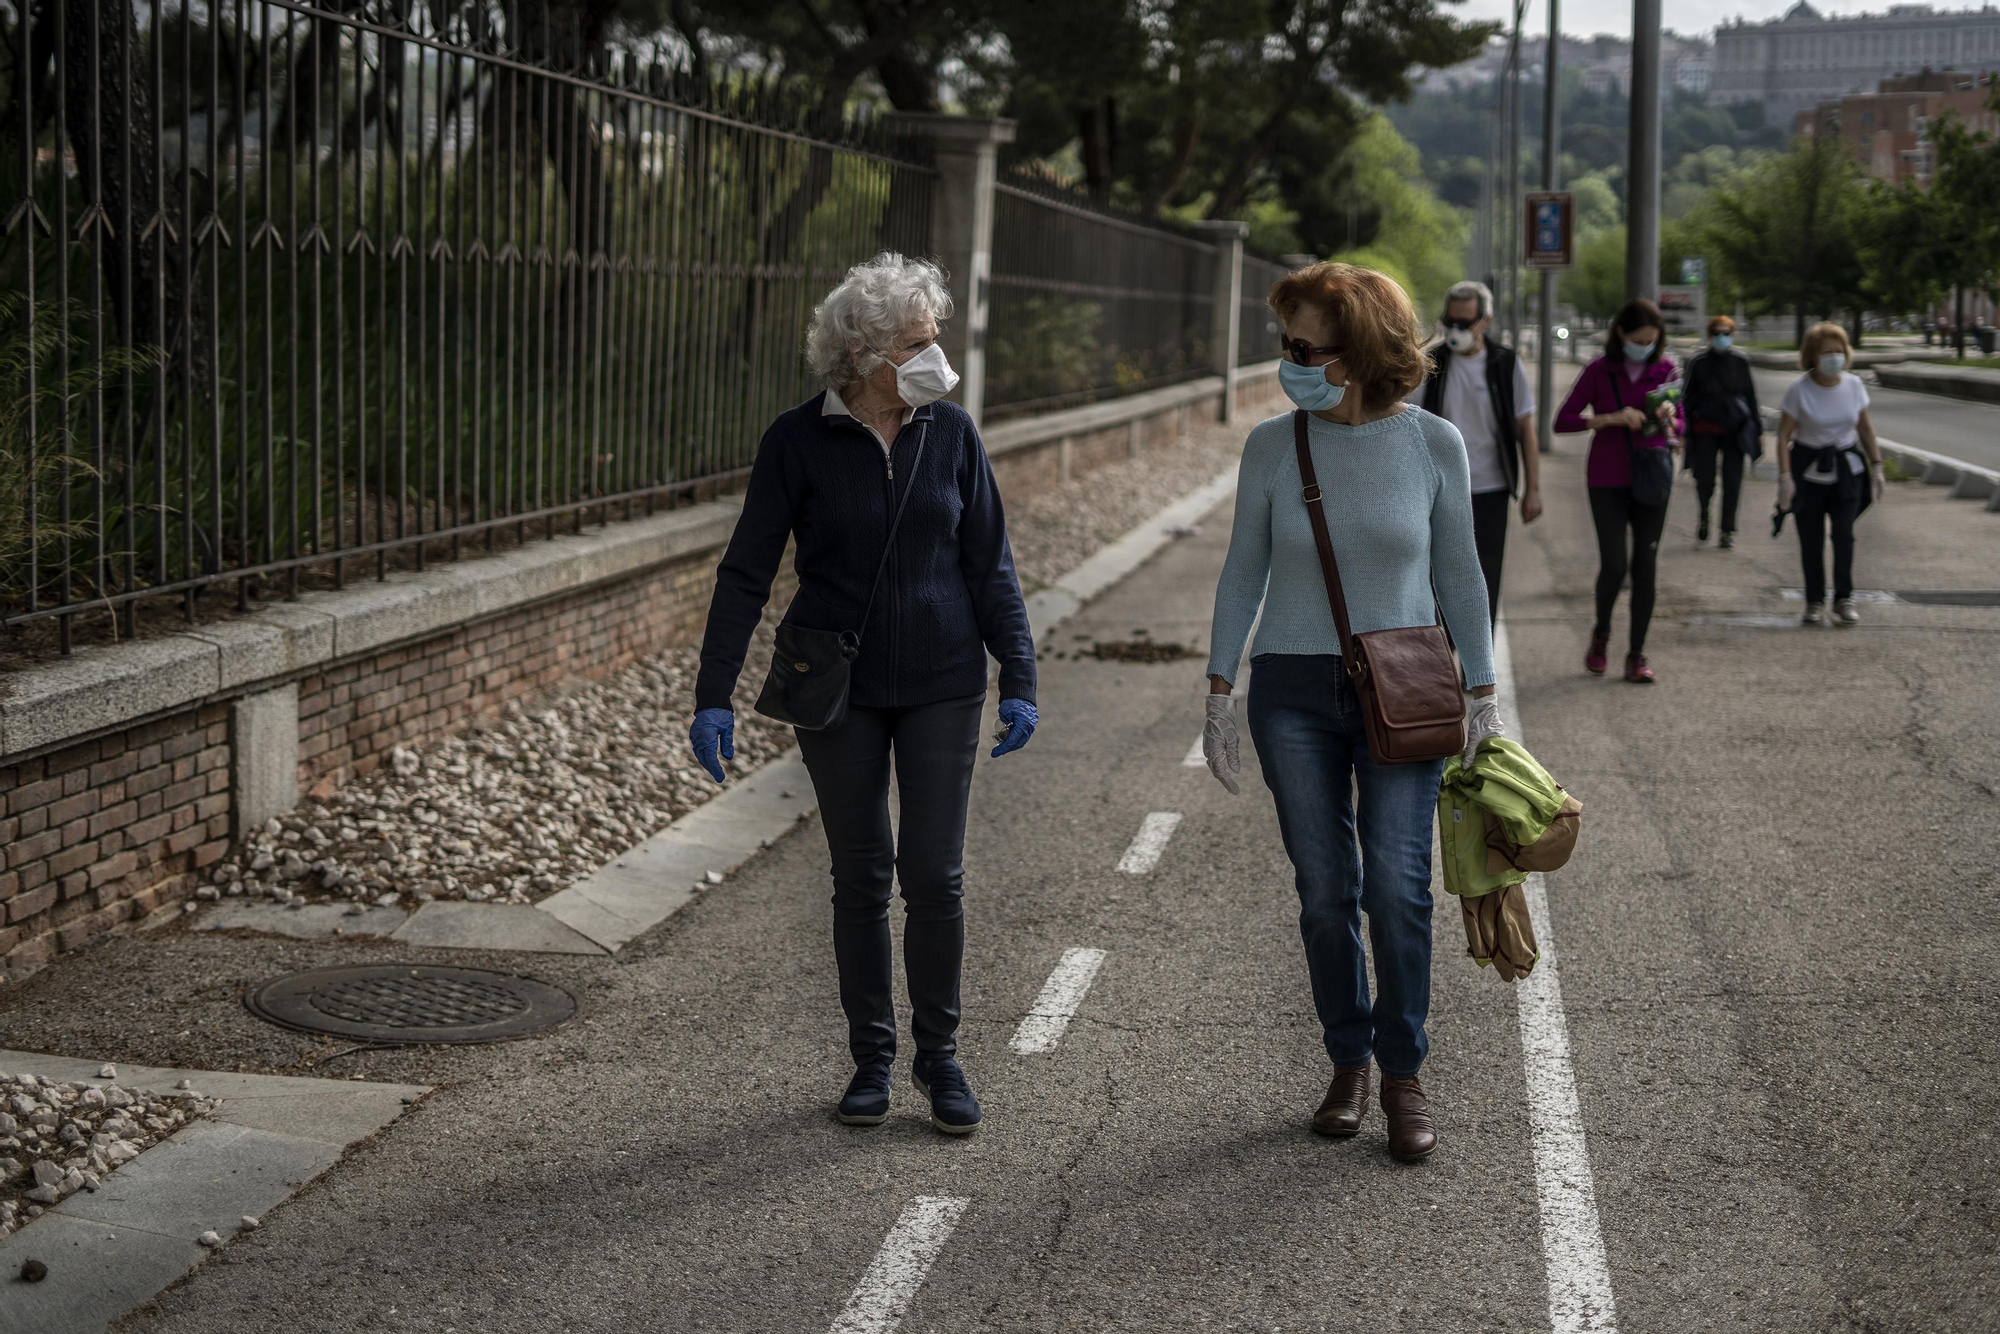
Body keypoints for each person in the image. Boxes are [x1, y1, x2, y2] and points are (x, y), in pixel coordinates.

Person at [687, 252, 1038, 1135]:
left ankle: (941, 1059)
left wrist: (1019, 674)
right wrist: (713, 693)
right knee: (860, 878)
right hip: (836, 689)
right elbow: (744, 574)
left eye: (934, 338)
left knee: (935, 874)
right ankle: (872, 1061)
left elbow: (989, 563)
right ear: (866, 353)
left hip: (944, 683)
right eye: (920, 342)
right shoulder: (797, 442)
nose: (937, 355)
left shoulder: (951, 433)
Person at [1198, 261, 1501, 1161]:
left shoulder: (1432, 445)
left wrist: (1483, 692)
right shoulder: (1271, 446)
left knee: (1399, 891)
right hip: (1290, 691)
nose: (1287, 360)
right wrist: (1218, 688)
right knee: (1328, 894)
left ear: (1358, 349)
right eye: (1284, 341)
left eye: (1304, 346)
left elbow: (1460, 575)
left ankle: (1404, 1072)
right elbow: (1242, 570)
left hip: (1404, 691)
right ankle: (1349, 1059)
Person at [1552, 298, 1684, 684]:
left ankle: (1637, 654)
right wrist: (1608, 419)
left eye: (1652, 339)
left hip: (1652, 476)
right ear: (1621, 334)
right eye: (1638, 338)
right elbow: (1564, 421)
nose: (1645, 344)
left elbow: (1682, 429)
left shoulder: (1666, 370)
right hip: (1606, 478)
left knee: (1646, 567)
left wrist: (1670, 421)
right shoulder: (1599, 370)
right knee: (1614, 564)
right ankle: (1601, 634)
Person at [1412, 280, 1544, 622]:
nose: (1455, 329)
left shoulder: (1506, 364)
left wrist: (1534, 489)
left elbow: (1525, 428)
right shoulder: (1431, 364)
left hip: (1490, 489)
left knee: (1485, 579)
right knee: (1436, 579)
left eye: (1464, 323)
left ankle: (1476, 667)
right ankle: (1444, 658)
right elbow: (1407, 421)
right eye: (1450, 320)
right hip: (1440, 492)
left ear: (1484, 321)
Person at [1775, 322, 1885, 627]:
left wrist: (1876, 465)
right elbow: (1783, 436)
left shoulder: (1853, 385)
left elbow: (1864, 427)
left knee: (1843, 535)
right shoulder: (1799, 390)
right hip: (1808, 470)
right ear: (1813, 356)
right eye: (1827, 352)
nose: (1834, 357)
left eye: (1839, 351)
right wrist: (1785, 477)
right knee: (1810, 540)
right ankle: (1813, 600)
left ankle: (1844, 598)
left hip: (1845, 470)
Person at [1680, 315, 1761, 550]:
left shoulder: (1740, 361)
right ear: (1709, 335)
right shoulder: (1699, 363)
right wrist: (1683, 431)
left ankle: (1727, 529)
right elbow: (1687, 398)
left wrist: (1756, 428)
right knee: (1704, 478)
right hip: (1704, 428)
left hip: (1734, 430)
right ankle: (1704, 512)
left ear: (1733, 335)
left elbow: (1751, 396)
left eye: (1726, 333)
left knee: (1732, 481)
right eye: (1717, 333)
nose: (1721, 337)